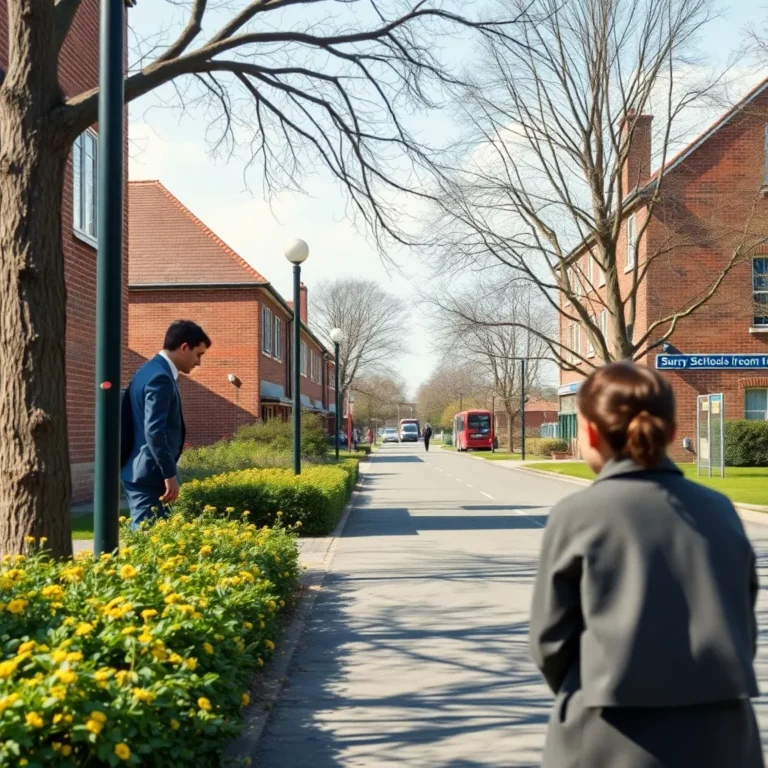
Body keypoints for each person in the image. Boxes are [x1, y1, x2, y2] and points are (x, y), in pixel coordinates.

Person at [530, 362, 762, 768]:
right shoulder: (720, 510)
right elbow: (743, 624)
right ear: (672, 432)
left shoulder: (578, 514)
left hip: (607, 731)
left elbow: (550, 642)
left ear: (589, 433)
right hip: (724, 734)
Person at [121, 320, 211, 529]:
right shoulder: (160, 377)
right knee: (147, 539)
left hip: (143, 470)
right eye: (198, 354)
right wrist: (169, 474)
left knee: (158, 540)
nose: (198, 363)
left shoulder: (148, 370)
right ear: (184, 347)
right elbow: (154, 430)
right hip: (149, 473)